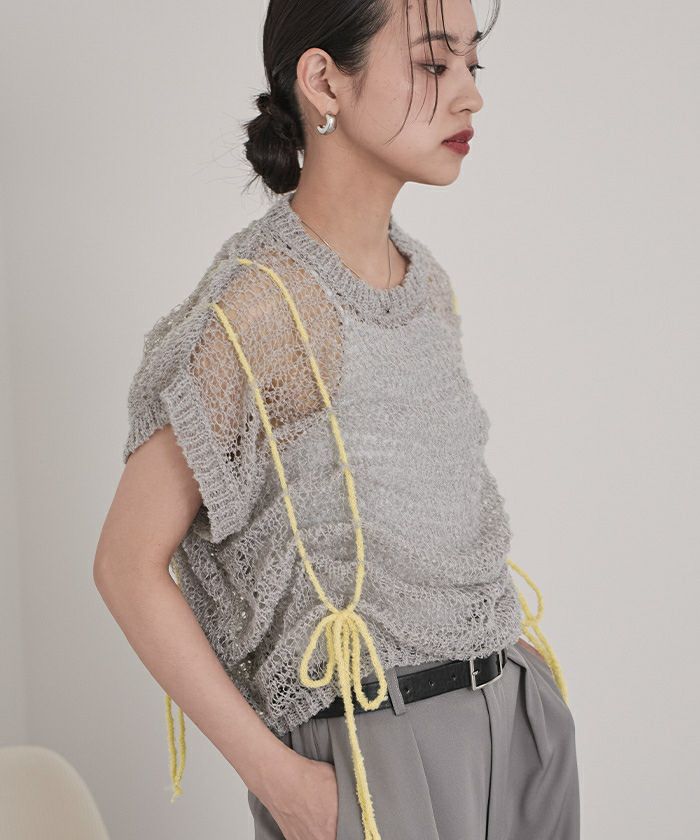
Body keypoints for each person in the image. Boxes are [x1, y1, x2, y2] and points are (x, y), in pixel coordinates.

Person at [94, 0, 581, 838]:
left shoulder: (424, 281)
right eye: (433, 62)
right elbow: (125, 564)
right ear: (323, 80)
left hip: (514, 721)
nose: (470, 94)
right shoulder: (262, 306)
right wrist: (280, 780)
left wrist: (520, 688)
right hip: (378, 748)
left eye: (473, 64)